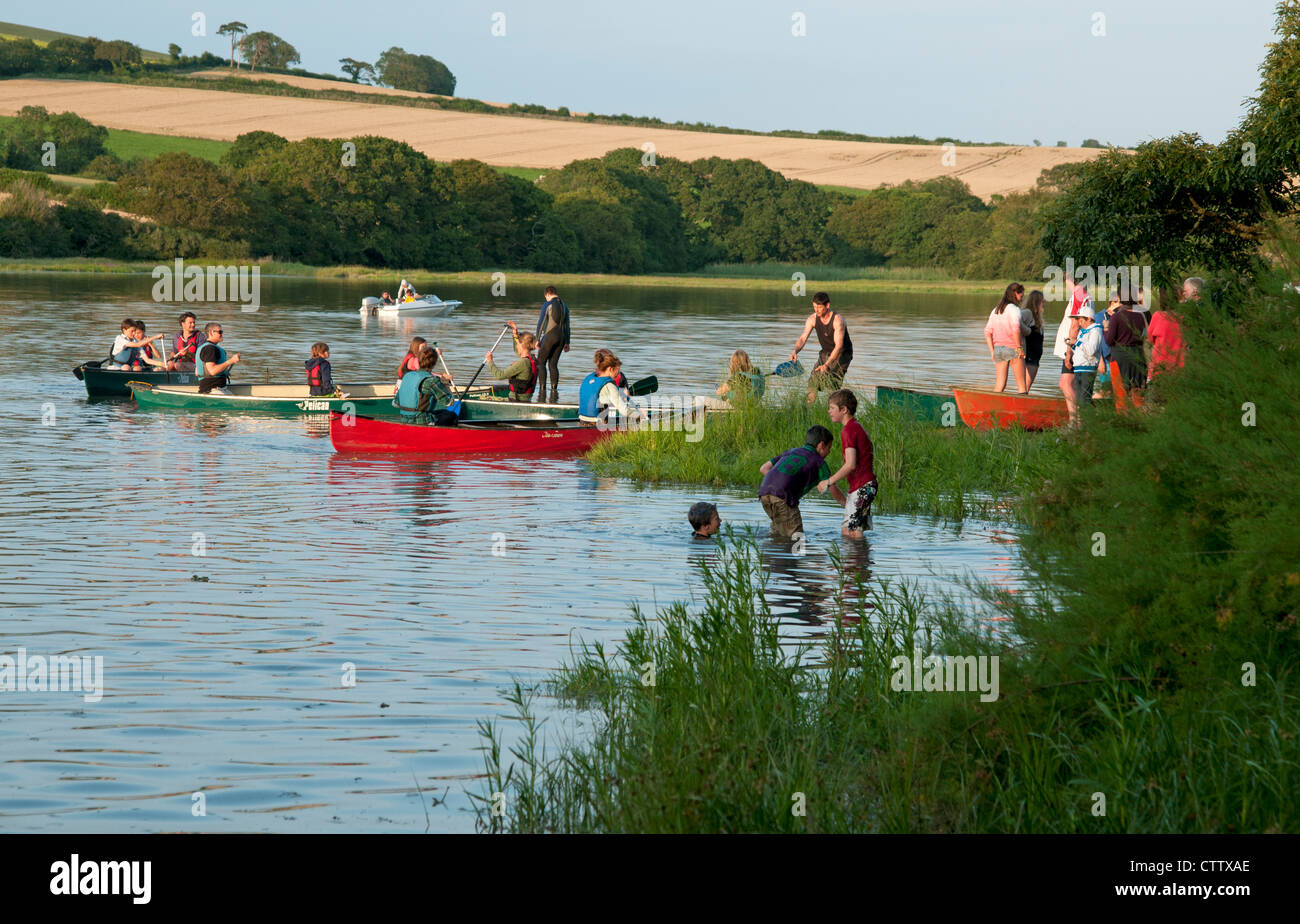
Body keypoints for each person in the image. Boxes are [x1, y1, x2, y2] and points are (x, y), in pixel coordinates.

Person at [758, 425, 844, 540]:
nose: (829, 452)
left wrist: (781, 482)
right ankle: (794, 556)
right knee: (797, 538)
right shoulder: (819, 462)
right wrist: (847, 506)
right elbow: (831, 486)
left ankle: (773, 554)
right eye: (829, 448)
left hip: (764, 493)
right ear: (821, 445)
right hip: (783, 497)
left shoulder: (791, 452)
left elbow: (764, 468)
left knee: (779, 532)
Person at [817, 389, 877, 539]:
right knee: (852, 531)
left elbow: (850, 464)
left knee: (850, 532)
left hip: (863, 486)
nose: (829, 411)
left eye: (832, 408)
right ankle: (861, 559)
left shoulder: (849, 430)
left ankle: (853, 562)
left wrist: (828, 482)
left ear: (843, 409)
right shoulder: (855, 427)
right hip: (865, 486)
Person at [789, 292, 853, 403]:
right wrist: (795, 351)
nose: (816, 310)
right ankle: (809, 409)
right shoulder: (812, 319)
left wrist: (826, 365)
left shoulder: (838, 320)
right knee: (813, 382)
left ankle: (833, 413)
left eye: (819, 307)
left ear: (827, 305)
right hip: (825, 352)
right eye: (814, 307)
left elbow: (839, 346)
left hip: (842, 353)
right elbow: (803, 338)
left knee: (831, 384)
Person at [1054, 276, 1092, 423]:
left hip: (1073, 347)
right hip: (1078, 347)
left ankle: (1075, 421)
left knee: (1065, 383)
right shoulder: (1083, 295)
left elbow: (1076, 324)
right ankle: (1078, 420)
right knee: (1073, 384)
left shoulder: (1080, 295)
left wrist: (1069, 351)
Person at [983, 283, 1028, 393]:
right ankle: (1022, 409)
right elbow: (1015, 329)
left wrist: (992, 352)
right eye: (1021, 296)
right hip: (1013, 348)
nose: (1021, 299)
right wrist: (1019, 348)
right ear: (1015, 294)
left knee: (999, 385)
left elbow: (987, 332)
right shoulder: (1014, 309)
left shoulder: (995, 310)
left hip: (998, 349)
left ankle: (993, 407)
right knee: (1022, 386)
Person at [393, 346, 454, 424]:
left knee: (441, 412)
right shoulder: (432, 380)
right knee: (451, 415)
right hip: (422, 422)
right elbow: (449, 402)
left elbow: (395, 403)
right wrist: (445, 383)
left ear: (418, 360)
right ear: (434, 363)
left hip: (404, 420)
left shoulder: (407, 376)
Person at [1105, 288, 1148, 393]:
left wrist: (1106, 328)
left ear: (1119, 299)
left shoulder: (1116, 317)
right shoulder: (1141, 316)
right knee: (1137, 392)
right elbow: (1144, 337)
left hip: (1120, 356)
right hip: (1137, 355)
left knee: (1121, 394)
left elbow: (1109, 341)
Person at [534, 285, 571, 403]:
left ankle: (542, 391)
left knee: (540, 362)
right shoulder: (565, 305)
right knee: (553, 365)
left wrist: (537, 340)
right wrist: (567, 342)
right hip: (562, 338)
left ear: (547, 294)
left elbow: (541, 323)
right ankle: (554, 392)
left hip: (550, 336)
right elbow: (567, 326)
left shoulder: (547, 304)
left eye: (545, 297)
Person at [578, 351, 636, 425]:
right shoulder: (609, 385)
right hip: (599, 423)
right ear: (610, 369)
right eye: (617, 371)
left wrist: (621, 394)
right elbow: (624, 411)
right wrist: (640, 415)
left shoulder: (588, 379)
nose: (618, 374)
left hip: (582, 420)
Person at [1069, 309, 1106, 423]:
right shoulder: (1083, 331)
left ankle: (1087, 424)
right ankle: (1082, 424)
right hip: (1078, 368)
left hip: (1088, 369)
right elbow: (1080, 350)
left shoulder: (1096, 331)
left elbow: (1091, 350)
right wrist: (1072, 344)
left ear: (1089, 319)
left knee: (1085, 399)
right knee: (1080, 400)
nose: (1079, 323)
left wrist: (1077, 342)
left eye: (1081, 320)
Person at [485, 330, 539, 401]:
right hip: (526, 399)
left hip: (515, 400)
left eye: (517, 344)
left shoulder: (522, 362)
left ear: (522, 345)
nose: (516, 346)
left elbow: (499, 375)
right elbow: (518, 352)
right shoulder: (533, 359)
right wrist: (515, 334)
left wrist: (490, 361)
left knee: (485, 398)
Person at [1147, 287, 1187, 383]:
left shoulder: (1158, 316)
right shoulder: (1184, 317)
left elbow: (1149, 340)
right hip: (1180, 366)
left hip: (1159, 367)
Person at [195, 322, 239, 394]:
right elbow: (212, 371)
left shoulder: (205, 347)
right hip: (212, 390)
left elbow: (197, 372)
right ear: (211, 333)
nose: (222, 334)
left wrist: (223, 372)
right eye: (220, 332)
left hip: (215, 388)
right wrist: (231, 361)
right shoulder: (210, 349)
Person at [1021, 290, 1046, 390]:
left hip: (1035, 358)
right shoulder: (1028, 313)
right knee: (1024, 388)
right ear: (1036, 302)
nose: (1044, 304)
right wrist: (1027, 331)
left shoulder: (1037, 318)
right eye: (1042, 301)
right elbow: (1015, 321)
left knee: (1026, 388)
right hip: (1029, 357)